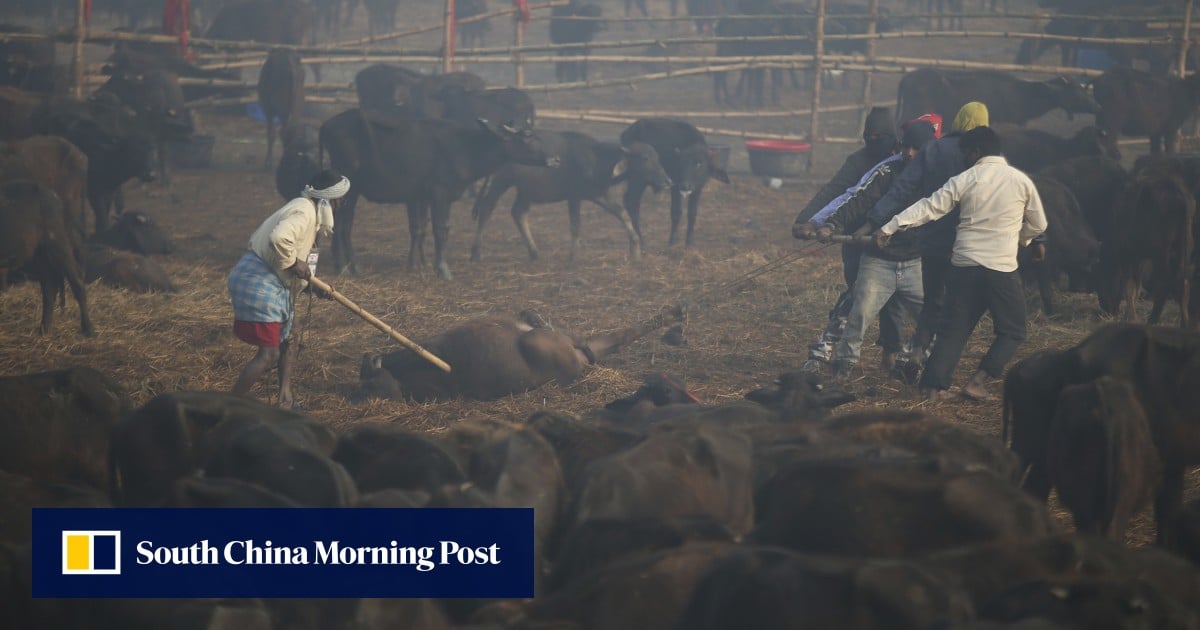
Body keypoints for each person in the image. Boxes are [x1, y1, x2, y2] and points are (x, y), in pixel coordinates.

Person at [875, 126, 1047, 401]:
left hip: (963, 264)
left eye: (966, 153)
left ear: (976, 152)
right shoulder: (1021, 181)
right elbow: (1038, 224)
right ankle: (977, 382)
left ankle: (932, 388)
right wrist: (1021, 239)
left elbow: (930, 207)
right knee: (1013, 330)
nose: (964, 159)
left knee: (953, 330)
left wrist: (891, 226)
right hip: (1000, 268)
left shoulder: (966, 178)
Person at [860, 102, 991, 376]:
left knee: (931, 304)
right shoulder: (984, 156)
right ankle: (934, 369)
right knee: (956, 310)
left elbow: (902, 187)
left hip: (931, 242)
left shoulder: (934, 149)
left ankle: (917, 352)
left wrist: (875, 221)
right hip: (969, 244)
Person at [815, 119, 940, 379]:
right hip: (878, 261)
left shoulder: (939, 178)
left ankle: (919, 363)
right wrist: (832, 224)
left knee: (934, 320)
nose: (909, 153)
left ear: (928, 150)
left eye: (916, 149)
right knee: (858, 317)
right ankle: (843, 369)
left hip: (916, 263)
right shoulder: (887, 172)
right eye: (906, 147)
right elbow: (859, 198)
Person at [791, 107, 903, 368]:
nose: (872, 140)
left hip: (892, 240)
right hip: (853, 237)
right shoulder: (858, 161)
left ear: (891, 137)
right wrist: (807, 219)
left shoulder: (902, 162)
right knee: (855, 293)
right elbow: (834, 191)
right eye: (868, 136)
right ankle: (841, 354)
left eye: (878, 136)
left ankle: (891, 350)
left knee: (893, 301)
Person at [227, 170, 349, 407]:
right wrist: (294, 263)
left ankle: (285, 399)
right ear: (330, 199)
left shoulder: (314, 219)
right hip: (259, 279)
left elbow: (303, 268)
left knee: (292, 335)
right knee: (269, 355)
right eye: (341, 199)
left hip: (273, 282)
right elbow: (279, 239)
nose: (341, 205)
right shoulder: (304, 210)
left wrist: (314, 288)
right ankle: (228, 406)